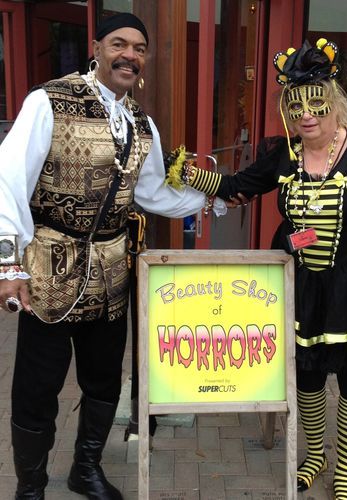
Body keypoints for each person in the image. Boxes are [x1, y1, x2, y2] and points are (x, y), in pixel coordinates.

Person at [0, 13, 227, 500]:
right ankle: (30, 487)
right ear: (97, 47)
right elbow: (9, 178)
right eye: (119, 44)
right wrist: (7, 264)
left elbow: (153, 192)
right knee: (37, 386)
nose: (130, 55)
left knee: (104, 380)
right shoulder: (49, 100)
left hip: (110, 275)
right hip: (49, 269)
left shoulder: (141, 123)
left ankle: (85, 470)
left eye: (139, 48)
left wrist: (215, 196)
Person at [166, 38, 347, 499]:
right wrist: (186, 173)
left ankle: (345, 471)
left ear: (334, 100)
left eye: (315, 104)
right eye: (295, 107)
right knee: (306, 378)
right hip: (299, 283)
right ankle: (315, 456)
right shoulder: (285, 154)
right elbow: (237, 186)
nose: (305, 115)